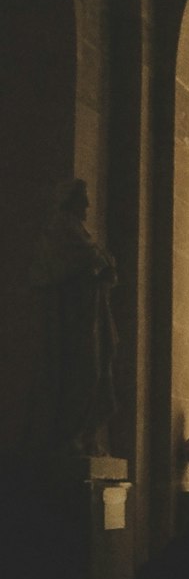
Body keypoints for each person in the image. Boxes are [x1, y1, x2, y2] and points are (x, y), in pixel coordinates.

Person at [27, 176, 118, 455]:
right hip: (75, 319)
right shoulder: (61, 231)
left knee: (102, 364)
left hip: (90, 312)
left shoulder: (77, 231)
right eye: (83, 198)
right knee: (83, 371)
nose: (89, 204)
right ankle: (72, 433)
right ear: (71, 200)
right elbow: (64, 269)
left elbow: (101, 264)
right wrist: (97, 270)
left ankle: (84, 432)